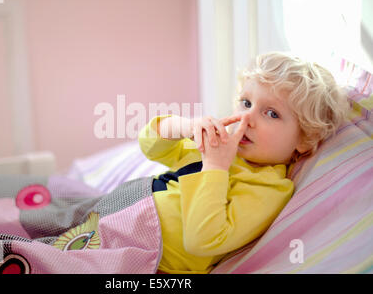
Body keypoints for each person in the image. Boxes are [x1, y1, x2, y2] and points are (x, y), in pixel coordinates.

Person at [138, 52, 349, 274]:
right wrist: (184, 127)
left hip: (147, 260)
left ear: (305, 138)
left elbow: (201, 241)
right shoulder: (218, 144)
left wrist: (215, 167)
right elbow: (149, 145)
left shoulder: (268, 188)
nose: (247, 118)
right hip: (116, 212)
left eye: (271, 113)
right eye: (246, 102)